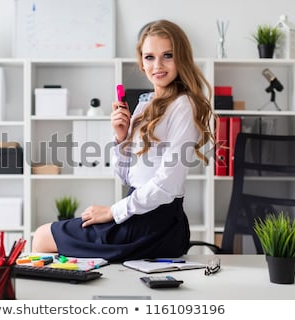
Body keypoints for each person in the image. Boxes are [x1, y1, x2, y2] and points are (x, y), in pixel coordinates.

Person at [31, 19, 215, 262]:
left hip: (155, 224)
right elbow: (126, 177)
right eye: (149, 57)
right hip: (139, 212)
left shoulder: (183, 105)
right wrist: (121, 138)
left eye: (167, 55)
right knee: (45, 238)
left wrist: (112, 212)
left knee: (43, 237)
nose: (157, 65)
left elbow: (167, 185)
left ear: (181, 57)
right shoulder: (144, 104)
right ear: (141, 62)